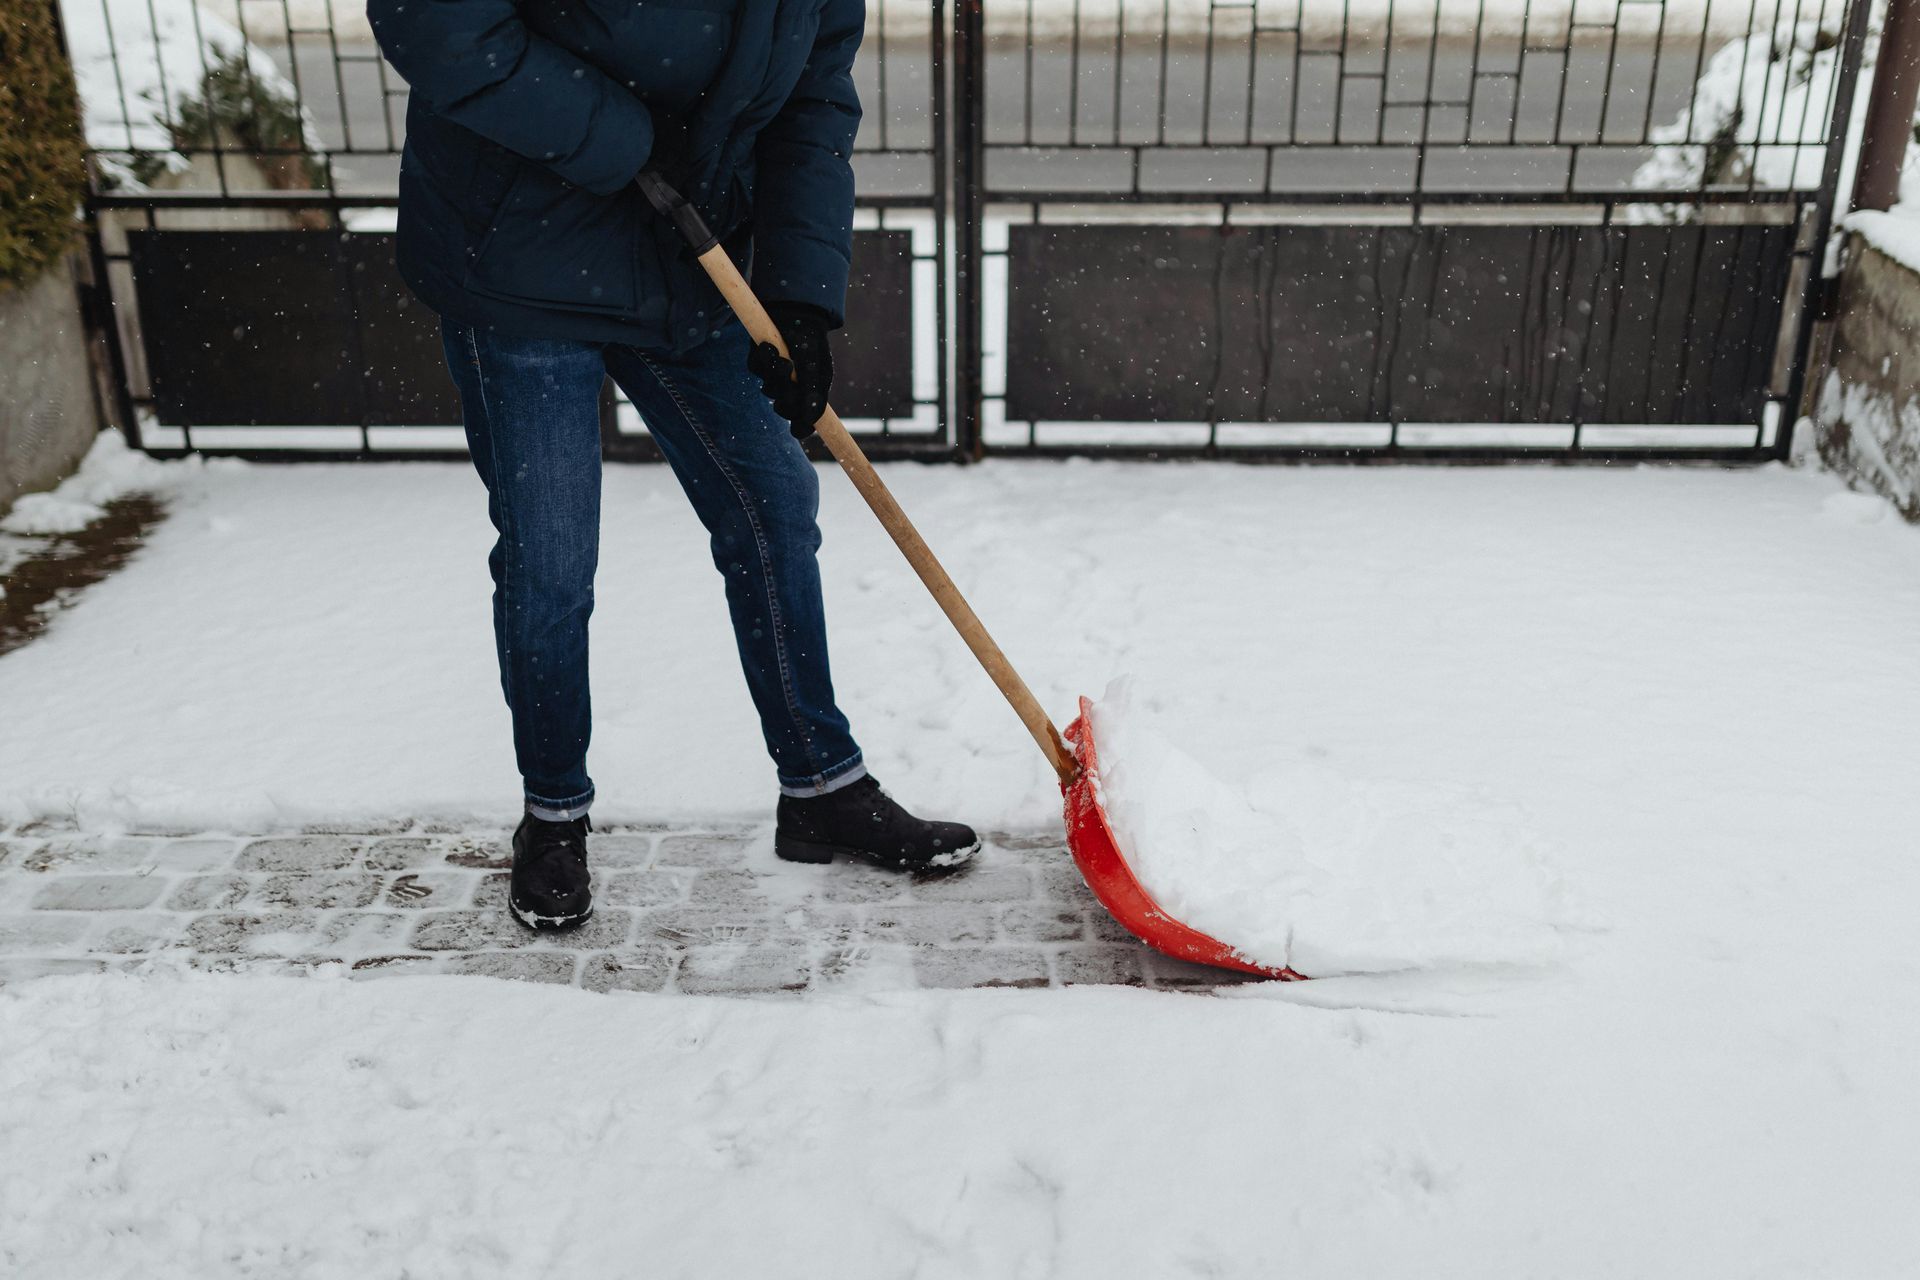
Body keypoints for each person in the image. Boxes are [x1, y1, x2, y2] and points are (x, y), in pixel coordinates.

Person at [368, 0, 978, 930]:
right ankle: (554, 816)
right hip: (524, 258)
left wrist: (797, 292)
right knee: (551, 562)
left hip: (688, 258)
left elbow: (814, 100)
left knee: (773, 509)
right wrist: (620, 140)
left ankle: (820, 785)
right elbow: (444, 28)